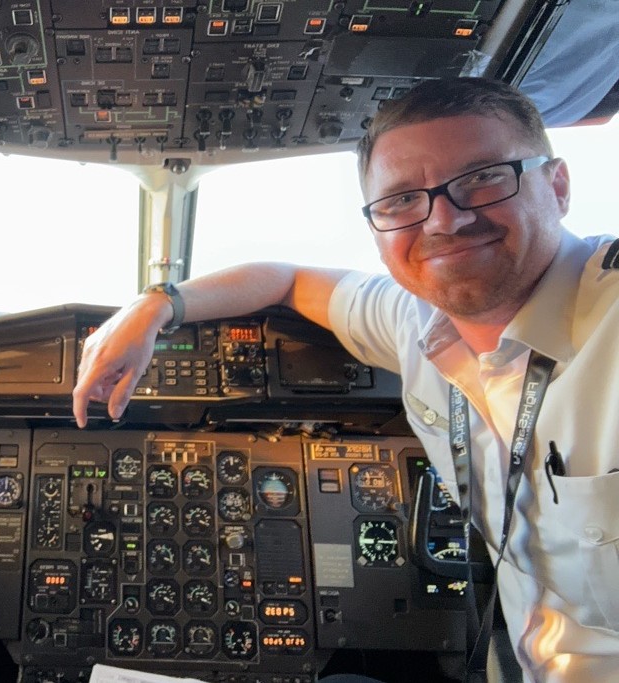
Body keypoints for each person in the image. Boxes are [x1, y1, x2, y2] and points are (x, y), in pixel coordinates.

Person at [73, 77, 619, 682]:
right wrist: (156, 305)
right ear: (378, 223)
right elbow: (287, 278)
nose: (444, 220)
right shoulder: (414, 319)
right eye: (402, 201)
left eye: (483, 178)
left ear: (558, 184)